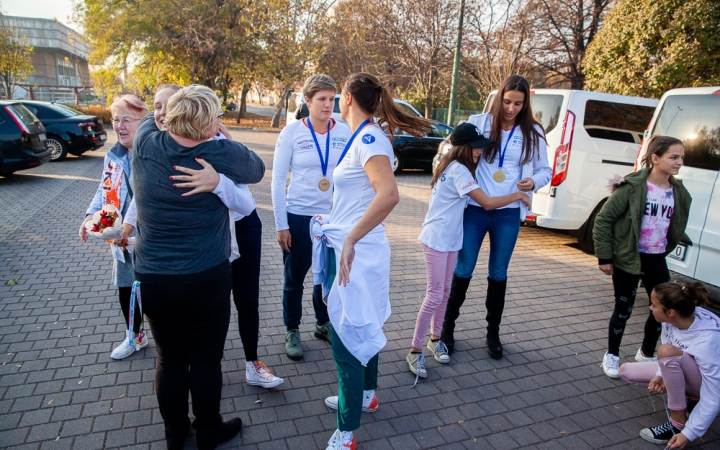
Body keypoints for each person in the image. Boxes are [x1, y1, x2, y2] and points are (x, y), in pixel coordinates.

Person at [131, 85, 265, 450]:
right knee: (206, 360)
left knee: (169, 358)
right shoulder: (217, 152)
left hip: (153, 277)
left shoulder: (145, 144)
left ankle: (176, 436)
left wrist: (161, 112)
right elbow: (256, 168)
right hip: (204, 277)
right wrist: (224, 138)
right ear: (208, 125)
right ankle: (208, 431)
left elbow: (145, 118)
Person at [319, 73, 431, 450]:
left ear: (348, 98)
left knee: (345, 333)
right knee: (359, 322)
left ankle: (346, 431)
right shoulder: (363, 136)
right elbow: (363, 195)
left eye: (338, 95)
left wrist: (350, 236)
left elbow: (389, 194)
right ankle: (366, 396)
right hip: (351, 247)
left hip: (356, 252)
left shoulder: (368, 138)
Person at [407, 123, 531, 382]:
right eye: (475, 148)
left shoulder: (453, 165)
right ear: (464, 147)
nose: (479, 152)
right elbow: (485, 203)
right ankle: (415, 350)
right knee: (433, 295)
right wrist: (517, 195)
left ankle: (436, 338)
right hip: (436, 239)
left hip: (451, 239)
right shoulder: (459, 170)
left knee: (444, 292)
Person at [439, 75, 552, 359]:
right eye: (506, 101)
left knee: (498, 273)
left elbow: (545, 171)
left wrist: (533, 182)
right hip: (475, 210)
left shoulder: (533, 131)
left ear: (525, 104)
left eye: (518, 103)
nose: (511, 108)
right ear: (499, 97)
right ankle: (446, 329)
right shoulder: (480, 122)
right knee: (463, 268)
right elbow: (458, 150)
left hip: (508, 214)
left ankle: (493, 334)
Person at [594, 135, 691, 379]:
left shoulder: (678, 191)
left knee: (665, 307)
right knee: (624, 308)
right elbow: (604, 220)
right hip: (628, 258)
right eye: (674, 157)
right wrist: (605, 257)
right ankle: (612, 354)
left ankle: (646, 353)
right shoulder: (634, 187)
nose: (679, 162)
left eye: (682, 157)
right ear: (655, 158)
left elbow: (676, 223)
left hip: (656, 258)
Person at [271, 74, 352, 361]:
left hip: (333, 218)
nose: (328, 105)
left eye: (332, 99)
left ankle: (322, 323)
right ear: (307, 100)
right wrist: (282, 224)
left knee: (325, 277)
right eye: (322, 99)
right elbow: (278, 180)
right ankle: (292, 329)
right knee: (295, 278)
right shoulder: (291, 133)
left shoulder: (343, 131)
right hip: (299, 216)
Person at [78, 94, 149, 360]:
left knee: (154, 290)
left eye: (127, 120)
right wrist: (90, 218)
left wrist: (131, 229)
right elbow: (104, 189)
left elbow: (148, 195)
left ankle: (172, 341)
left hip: (149, 235)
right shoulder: (114, 154)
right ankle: (135, 336)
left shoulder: (152, 151)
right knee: (125, 286)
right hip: (119, 234)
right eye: (116, 119)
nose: (119, 126)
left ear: (143, 122)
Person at [617, 281, 720, 448]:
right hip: (687, 370)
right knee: (625, 371)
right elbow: (669, 355)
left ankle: (677, 422)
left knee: (666, 351)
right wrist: (660, 375)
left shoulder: (708, 340)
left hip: (709, 384)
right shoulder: (669, 321)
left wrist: (689, 434)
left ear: (670, 312)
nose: (650, 308)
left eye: (654, 304)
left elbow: (714, 395)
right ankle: (691, 399)